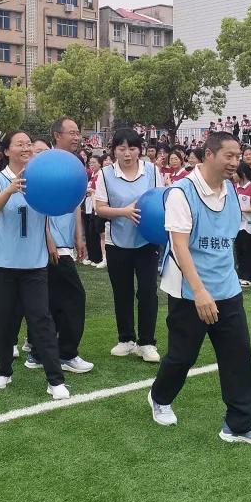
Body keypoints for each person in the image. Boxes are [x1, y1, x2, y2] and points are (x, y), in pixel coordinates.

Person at [148, 131, 251, 447]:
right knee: (182, 356)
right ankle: (159, 397)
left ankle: (239, 424)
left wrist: (224, 282)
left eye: (238, 156)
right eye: (228, 156)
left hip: (227, 288)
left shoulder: (230, 189)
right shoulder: (181, 192)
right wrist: (200, 291)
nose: (235, 162)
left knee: (238, 356)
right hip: (189, 292)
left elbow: (226, 240)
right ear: (209, 155)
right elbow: (180, 247)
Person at [0, 131, 69, 399]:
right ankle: (3, 370)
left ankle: (55, 380)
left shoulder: (41, 179)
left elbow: (53, 210)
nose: (26, 148)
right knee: (2, 319)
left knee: (41, 319)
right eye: (20, 144)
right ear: (7, 151)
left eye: (29, 144)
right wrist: (10, 189)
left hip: (34, 262)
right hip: (1, 262)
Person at [94, 128, 163, 362]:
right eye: (121, 148)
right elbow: (100, 208)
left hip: (147, 241)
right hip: (117, 242)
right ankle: (126, 339)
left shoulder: (152, 171)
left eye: (132, 148)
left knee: (147, 291)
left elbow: (160, 200)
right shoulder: (105, 174)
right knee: (122, 292)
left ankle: (147, 342)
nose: (127, 153)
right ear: (114, 150)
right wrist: (124, 212)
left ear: (139, 150)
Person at [41, 116, 94, 374]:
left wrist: (79, 236)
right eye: (71, 132)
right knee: (74, 298)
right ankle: (66, 353)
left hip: (65, 243)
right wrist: (49, 239)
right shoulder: (45, 163)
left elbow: (75, 204)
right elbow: (38, 206)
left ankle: (40, 352)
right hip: (51, 245)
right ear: (57, 135)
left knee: (52, 299)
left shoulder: (75, 163)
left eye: (77, 132)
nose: (76, 137)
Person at [233, 169, 251, 287]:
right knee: (239, 250)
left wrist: (240, 209)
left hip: (247, 224)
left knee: (247, 250)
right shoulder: (234, 187)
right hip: (236, 224)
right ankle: (241, 276)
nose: (233, 175)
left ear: (242, 174)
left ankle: (249, 277)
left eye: (235, 173)